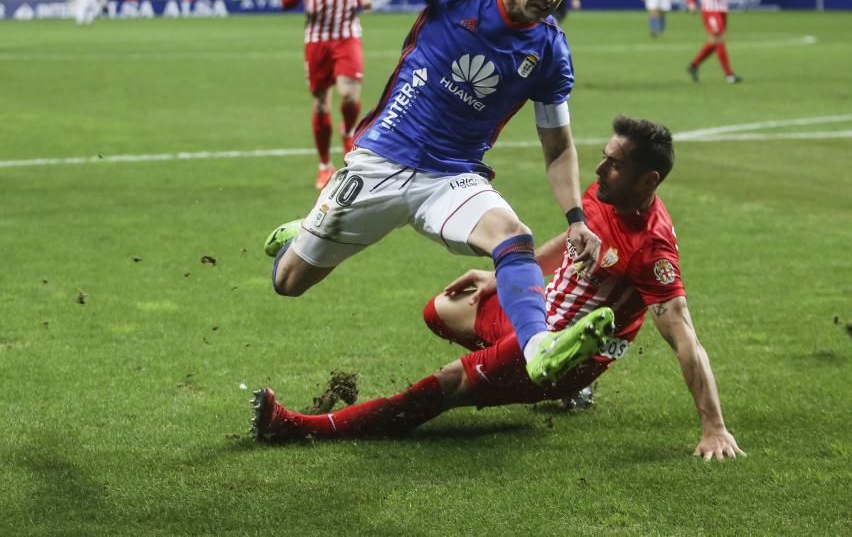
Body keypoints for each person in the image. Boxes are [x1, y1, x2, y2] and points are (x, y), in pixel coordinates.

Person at [209, 0, 610, 385]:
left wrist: (575, 219)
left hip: (452, 176)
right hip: (381, 159)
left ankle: (538, 346)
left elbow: (558, 147)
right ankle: (304, 230)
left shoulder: (549, 53)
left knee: (513, 236)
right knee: (289, 282)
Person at [251, 116, 746, 461]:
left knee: (445, 385)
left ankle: (299, 427)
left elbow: (684, 336)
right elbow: (568, 242)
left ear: (648, 180)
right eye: (603, 157)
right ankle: (519, 364)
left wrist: (713, 426)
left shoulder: (652, 249)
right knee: (441, 310)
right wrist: (498, 275)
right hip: (539, 315)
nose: (597, 171)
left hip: (566, 353)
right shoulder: (603, 194)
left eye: (614, 164)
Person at [282, 0, 373, 190]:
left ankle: (348, 132)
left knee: (348, 95)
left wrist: (366, 1)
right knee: (321, 103)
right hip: (317, 39)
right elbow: (285, 2)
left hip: (347, 35)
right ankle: (324, 165)